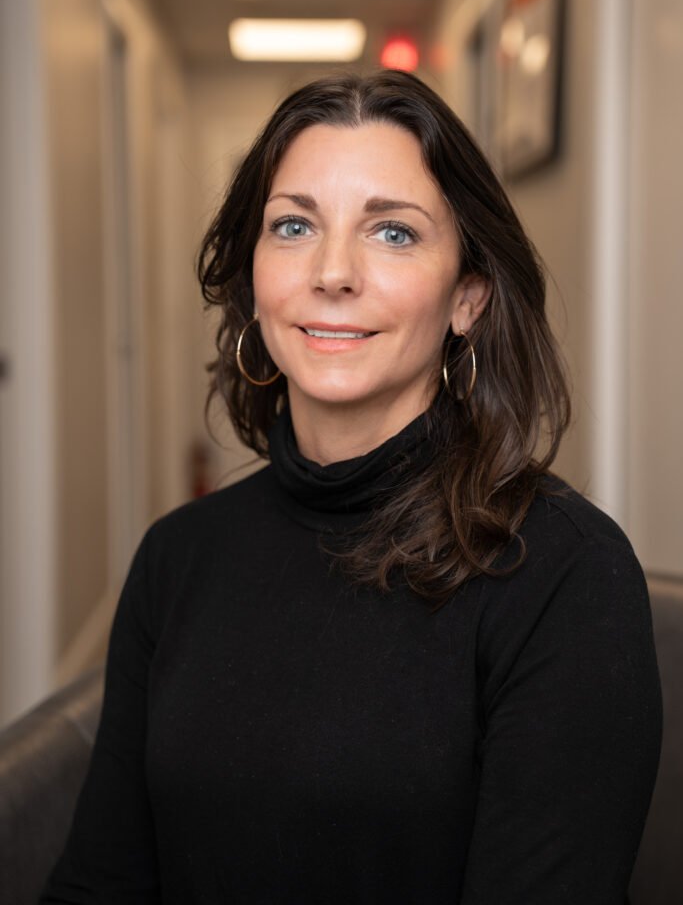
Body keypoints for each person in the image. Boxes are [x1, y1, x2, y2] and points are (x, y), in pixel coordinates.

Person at [41, 70, 662, 904]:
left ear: (467, 297)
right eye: (293, 225)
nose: (332, 272)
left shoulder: (565, 575)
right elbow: (100, 884)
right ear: (252, 278)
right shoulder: (176, 558)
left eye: (393, 234)